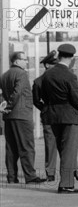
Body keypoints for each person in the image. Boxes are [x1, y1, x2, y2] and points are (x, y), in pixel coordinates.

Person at [40, 44, 78, 193]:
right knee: (69, 151)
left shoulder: (47, 74)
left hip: (53, 115)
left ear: (59, 56)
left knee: (62, 149)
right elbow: (75, 97)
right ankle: (66, 185)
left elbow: (43, 95)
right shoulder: (70, 75)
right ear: (72, 58)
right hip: (69, 116)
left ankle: (65, 181)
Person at [1, 52, 46, 184]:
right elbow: (17, 92)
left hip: (9, 117)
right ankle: (30, 176)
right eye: (23, 59)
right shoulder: (21, 74)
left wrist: (5, 108)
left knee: (11, 148)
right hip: (22, 115)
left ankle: (11, 177)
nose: (26, 62)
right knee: (27, 146)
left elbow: (3, 94)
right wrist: (9, 105)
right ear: (16, 61)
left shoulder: (4, 75)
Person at [32, 51, 59, 182]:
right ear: (47, 65)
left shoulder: (38, 81)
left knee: (53, 144)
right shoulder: (39, 81)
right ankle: (51, 173)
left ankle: (52, 172)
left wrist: (44, 109)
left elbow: (36, 101)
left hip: (49, 114)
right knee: (51, 144)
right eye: (54, 64)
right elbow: (36, 100)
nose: (56, 66)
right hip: (54, 115)